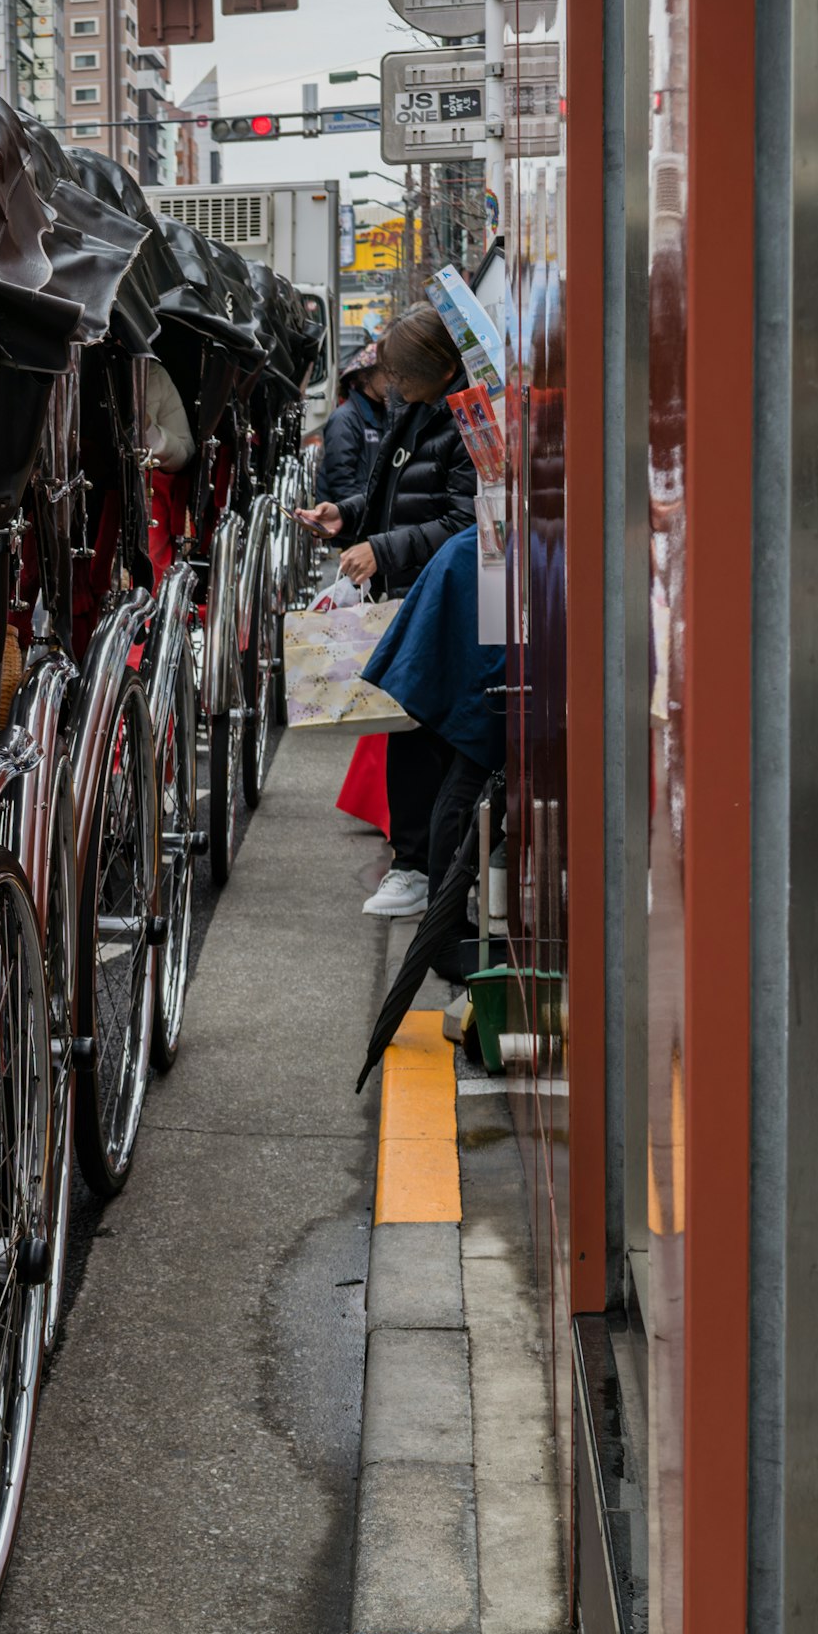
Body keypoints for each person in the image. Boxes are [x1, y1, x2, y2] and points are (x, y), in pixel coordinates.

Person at [294, 305, 478, 913]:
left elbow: (463, 520)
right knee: (407, 729)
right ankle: (414, 864)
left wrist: (380, 546)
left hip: (447, 596)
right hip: (412, 590)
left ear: (436, 368)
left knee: (426, 736)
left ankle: (424, 868)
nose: (391, 385)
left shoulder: (463, 419)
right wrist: (346, 516)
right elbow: (390, 492)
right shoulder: (415, 410)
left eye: (401, 374)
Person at [356, 517, 509, 1077]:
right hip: (481, 569)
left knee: (467, 763)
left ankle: (445, 925)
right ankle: (446, 930)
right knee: (475, 756)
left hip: (473, 565)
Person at [317, 342, 390, 512]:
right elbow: (341, 481)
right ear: (365, 376)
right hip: (349, 522)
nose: (392, 378)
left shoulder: (386, 414)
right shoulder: (344, 419)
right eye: (385, 371)